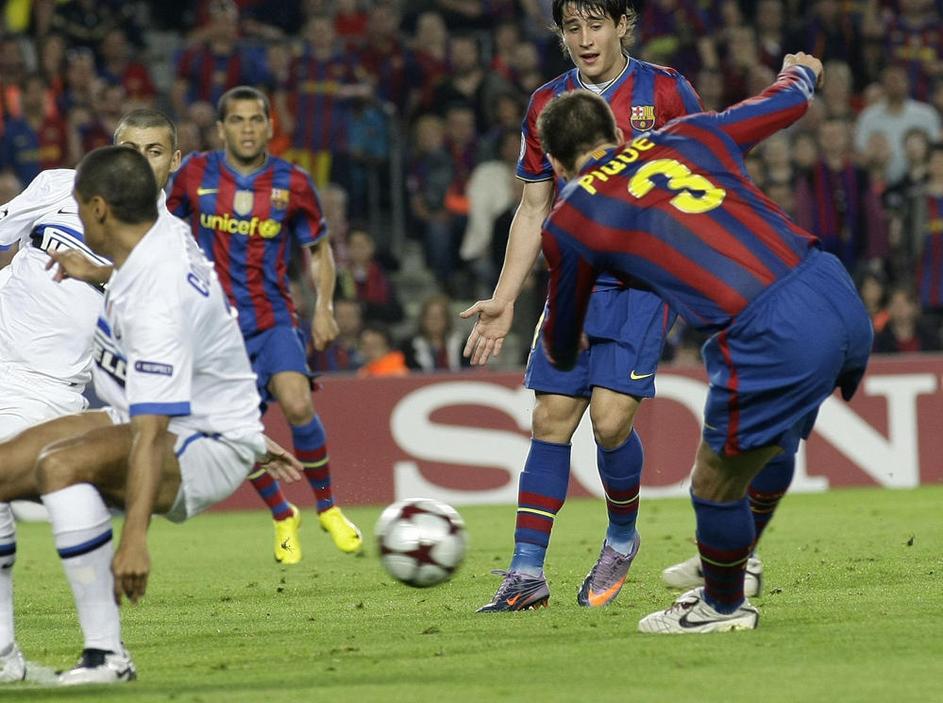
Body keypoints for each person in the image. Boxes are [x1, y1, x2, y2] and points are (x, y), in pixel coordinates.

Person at [534, 54, 872, 633]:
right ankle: (736, 562)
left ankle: (721, 606)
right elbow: (785, 101)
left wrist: (569, 335)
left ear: (558, 165)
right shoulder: (688, 133)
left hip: (768, 328)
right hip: (832, 288)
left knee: (712, 484)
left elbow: (563, 345)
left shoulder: (572, 216)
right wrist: (801, 72)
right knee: (773, 444)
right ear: (616, 133)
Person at [0, 146, 300, 684]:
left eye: (77, 207)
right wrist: (92, 269)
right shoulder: (154, 245)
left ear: (98, 209)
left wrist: (134, 539)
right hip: (171, 418)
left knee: (61, 466)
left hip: (202, 440)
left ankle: (107, 655)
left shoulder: (155, 294)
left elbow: (150, 431)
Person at [461, 0, 703, 612]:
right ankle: (525, 574)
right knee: (550, 419)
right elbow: (533, 208)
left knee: (611, 423)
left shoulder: (666, 92)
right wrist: (505, 298)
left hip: (644, 282)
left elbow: (708, 175)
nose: (586, 38)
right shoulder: (548, 103)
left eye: (597, 24)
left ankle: (621, 537)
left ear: (623, 25)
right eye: (573, 27)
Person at [0, 108, 184, 682]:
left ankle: (102, 650)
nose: (139, 161)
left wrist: (96, 272)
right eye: (130, 148)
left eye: (154, 151)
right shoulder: (58, 185)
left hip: (42, 385)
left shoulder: (167, 240)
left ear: (174, 162)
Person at [167, 86, 362, 563]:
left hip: (272, 315)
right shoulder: (194, 174)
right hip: (213, 327)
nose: (248, 129)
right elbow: (162, 232)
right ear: (221, 129)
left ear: (270, 126)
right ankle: (282, 514)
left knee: (297, 402)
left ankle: (327, 507)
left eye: (256, 119)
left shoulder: (292, 181)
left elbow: (318, 249)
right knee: (239, 431)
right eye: (237, 120)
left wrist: (324, 307)